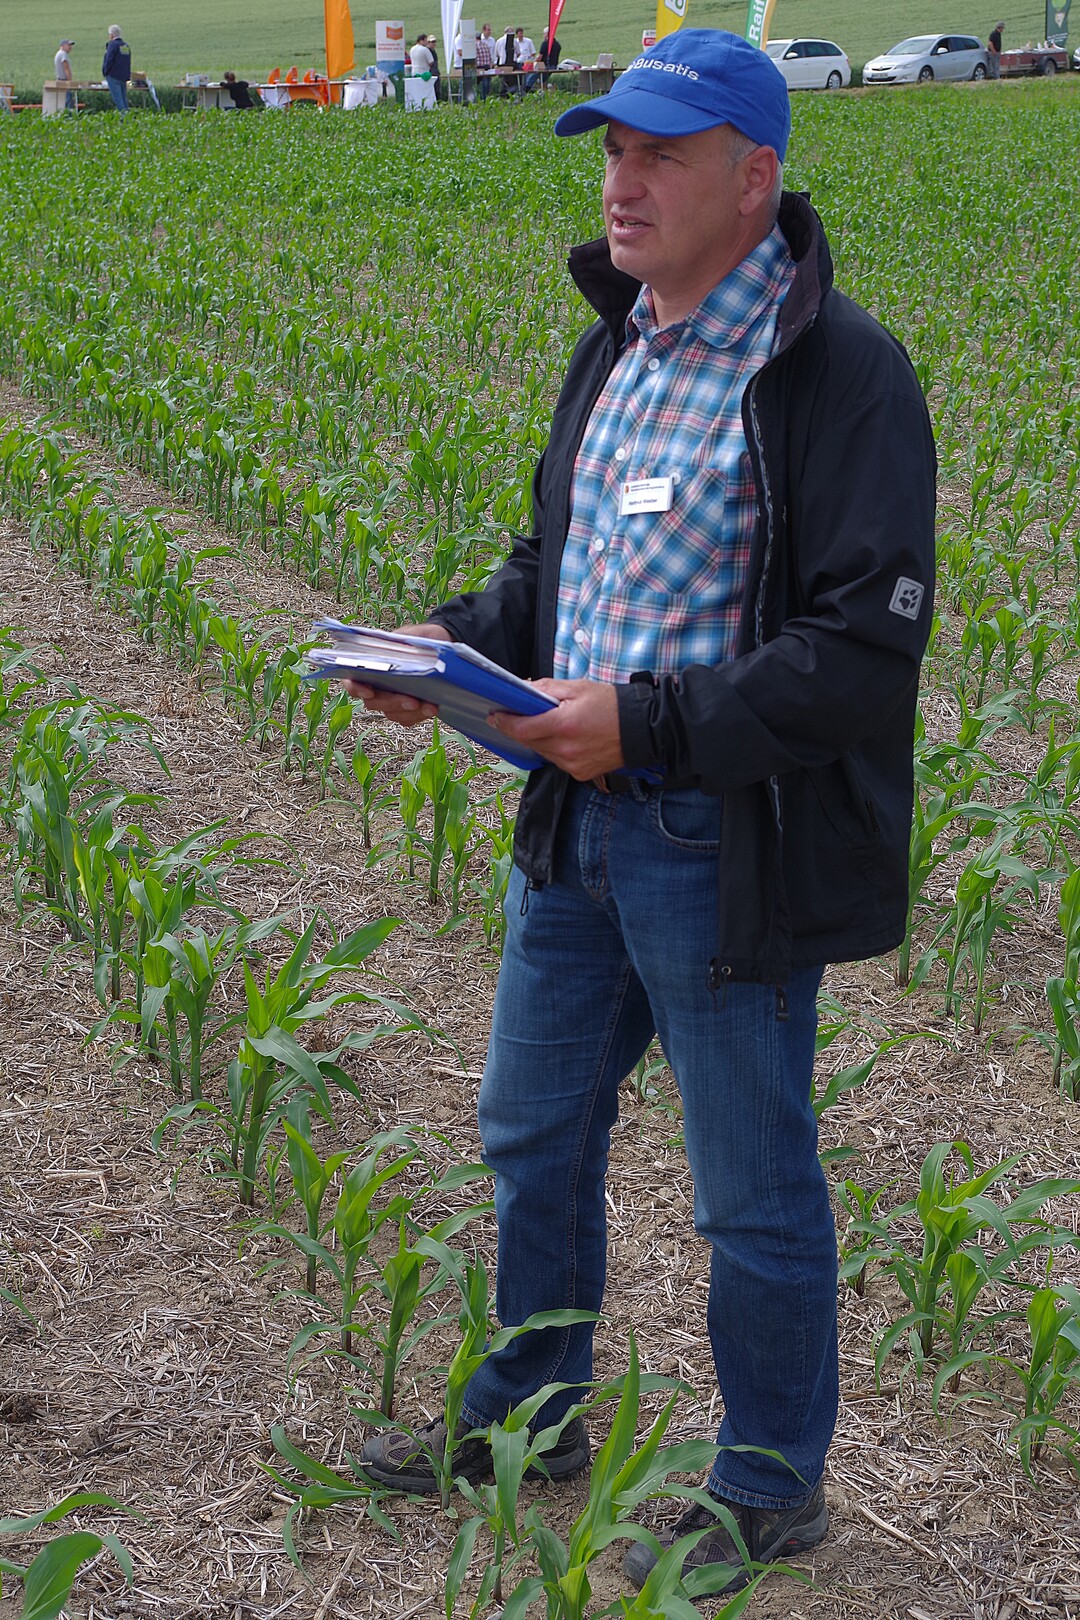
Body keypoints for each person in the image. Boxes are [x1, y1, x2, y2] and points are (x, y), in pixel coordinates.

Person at [352, 26, 936, 1597]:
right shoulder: (615, 347)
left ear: (755, 179)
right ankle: (531, 1415)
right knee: (530, 1129)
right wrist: (453, 648)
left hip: (714, 848)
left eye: (659, 153)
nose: (623, 182)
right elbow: (569, 576)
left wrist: (658, 727)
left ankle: (767, 1484)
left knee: (749, 1186)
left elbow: (861, 651)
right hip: (573, 829)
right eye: (611, 150)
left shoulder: (839, 374)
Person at [102, 24, 131, 113]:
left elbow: (109, 60)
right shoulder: (125, 46)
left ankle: (124, 118)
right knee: (123, 98)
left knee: (118, 99)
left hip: (113, 76)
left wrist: (105, 72)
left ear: (111, 34)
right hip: (123, 76)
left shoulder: (112, 45)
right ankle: (128, 116)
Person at [524, 23, 559, 90]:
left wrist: (533, 62)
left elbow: (540, 57)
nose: (543, 36)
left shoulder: (545, 43)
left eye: (544, 34)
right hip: (554, 66)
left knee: (531, 77)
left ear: (547, 34)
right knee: (544, 80)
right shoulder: (557, 44)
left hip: (544, 66)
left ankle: (526, 89)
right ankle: (544, 91)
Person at [475, 22, 497, 97]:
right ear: (483, 31)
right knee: (486, 84)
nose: (489, 32)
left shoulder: (492, 40)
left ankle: (482, 99)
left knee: (483, 84)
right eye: (488, 30)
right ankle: (486, 99)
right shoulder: (485, 44)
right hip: (488, 66)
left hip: (480, 68)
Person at [54, 38, 76, 112]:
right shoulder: (63, 54)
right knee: (68, 101)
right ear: (63, 46)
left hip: (59, 80)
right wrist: (70, 81)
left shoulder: (58, 53)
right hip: (64, 81)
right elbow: (66, 68)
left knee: (62, 101)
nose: (70, 47)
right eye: (68, 45)